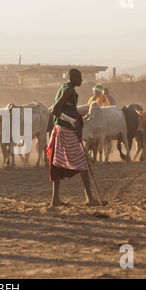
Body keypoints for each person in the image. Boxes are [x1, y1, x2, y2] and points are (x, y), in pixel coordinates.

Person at [47, 69, 105, 207]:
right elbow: (54, 110)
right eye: (79, 77)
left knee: (57, 163)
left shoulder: (65, 88)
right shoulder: (68, 90)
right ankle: (89, 199)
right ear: (71, 77)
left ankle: (55, 200)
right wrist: (72, 121)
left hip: (61, 129)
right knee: (82, 161)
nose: (81, 80)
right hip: (65, 130)